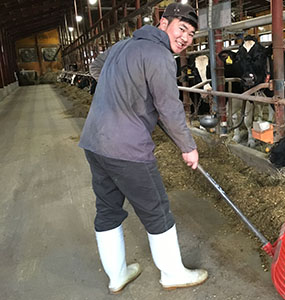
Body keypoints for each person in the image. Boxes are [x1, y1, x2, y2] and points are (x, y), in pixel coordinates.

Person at [79, 2, 207, 294]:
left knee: (108, 210)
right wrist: (188, 147)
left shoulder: (124, 45)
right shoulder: (160, 56)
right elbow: (170, 108)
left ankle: (117, 276)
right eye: (182, 28)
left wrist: (122, 89)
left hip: (95, 142)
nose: (186, 37)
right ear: (164, 23)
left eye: (191, 34)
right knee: (157, 210)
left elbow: (95, 66)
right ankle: (173, 273)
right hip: (126, 149)